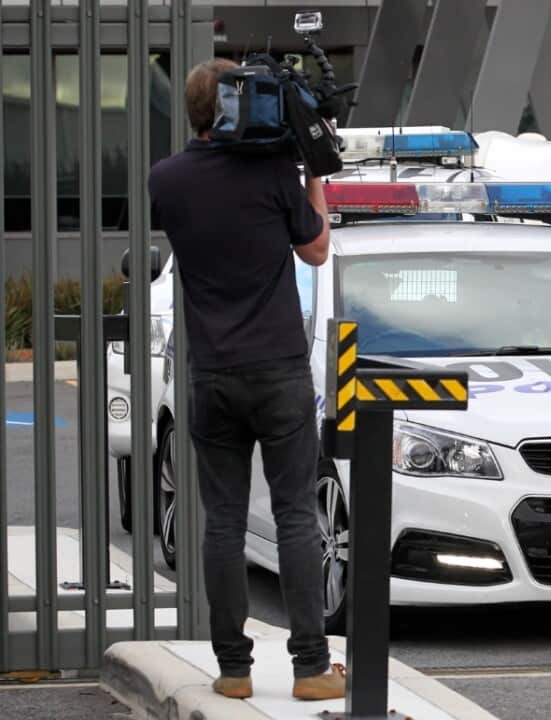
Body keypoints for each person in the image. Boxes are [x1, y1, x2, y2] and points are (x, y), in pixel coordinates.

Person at [148, 58, 345, 702]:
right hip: (280, 370)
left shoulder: (167, 180)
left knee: (223, 520)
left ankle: (233, 669)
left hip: (212, 374)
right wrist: (313, 167)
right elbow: (316, 249)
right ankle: (311, 668)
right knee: (294, 514)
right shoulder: (275, 174)